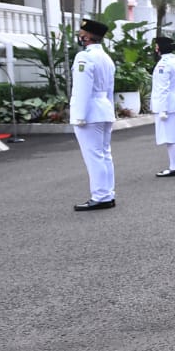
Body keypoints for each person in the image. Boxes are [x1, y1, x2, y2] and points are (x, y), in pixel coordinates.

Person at [69, 18, 117, 211]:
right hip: (104, 109)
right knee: (104, 154)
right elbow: (110, 89)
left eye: (82, 34)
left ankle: (100, 196)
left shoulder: (84, 57)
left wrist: (79, 115)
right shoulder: (106, 57)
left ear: (87, 37)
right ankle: (108, 193)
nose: (80, 37)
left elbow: (82, 88)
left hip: (89, 112)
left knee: (94, 156)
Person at [150, 35, 175, 177]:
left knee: (170, 137)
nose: (155, 48)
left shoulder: (164, 64)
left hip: (168, 104)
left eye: (157, 46)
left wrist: (163, 108)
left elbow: (162, 87)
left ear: (161, 48)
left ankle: (174, 167)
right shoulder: (174, 61)